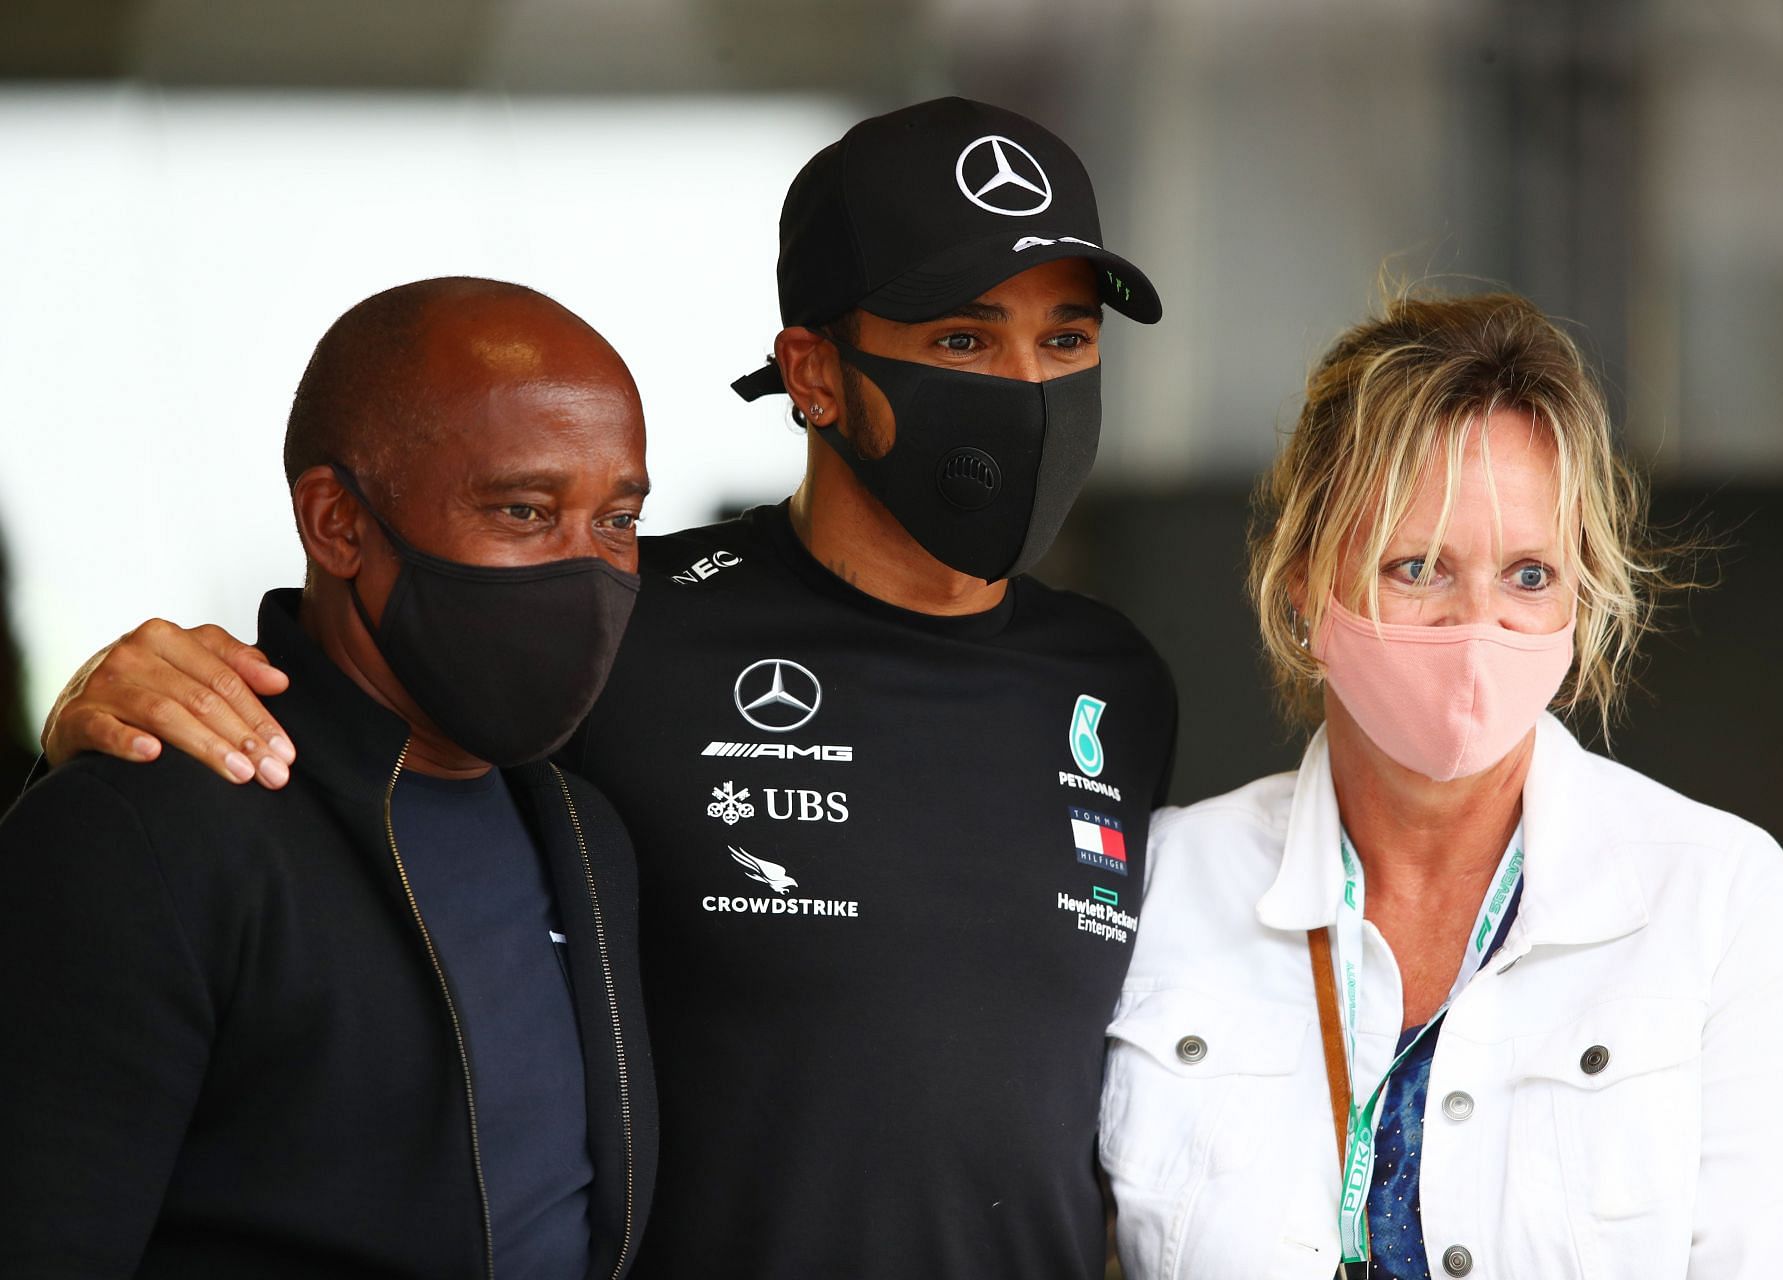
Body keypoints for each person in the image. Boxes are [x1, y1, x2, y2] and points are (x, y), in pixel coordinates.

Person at [37, 98, 1178, 1277]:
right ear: (814, 373)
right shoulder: (619, 625)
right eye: (962, 338)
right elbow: (355, 776)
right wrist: (100, 719)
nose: (1030, 387)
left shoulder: (1119, 685)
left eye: (1068, 339)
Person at [1100, 291, 1783, 1278]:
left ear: (1584, 590)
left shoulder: (1719, 903)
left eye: (1530, 574)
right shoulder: (1164, 888)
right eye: (1417, 566)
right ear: (1303, 584)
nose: (1477, 623)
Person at [1, 277, 656, 1278]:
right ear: (337, 522)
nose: (587, 567)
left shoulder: (587, 828)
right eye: (524, 509)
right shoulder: (144, 832)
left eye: (616, 518)